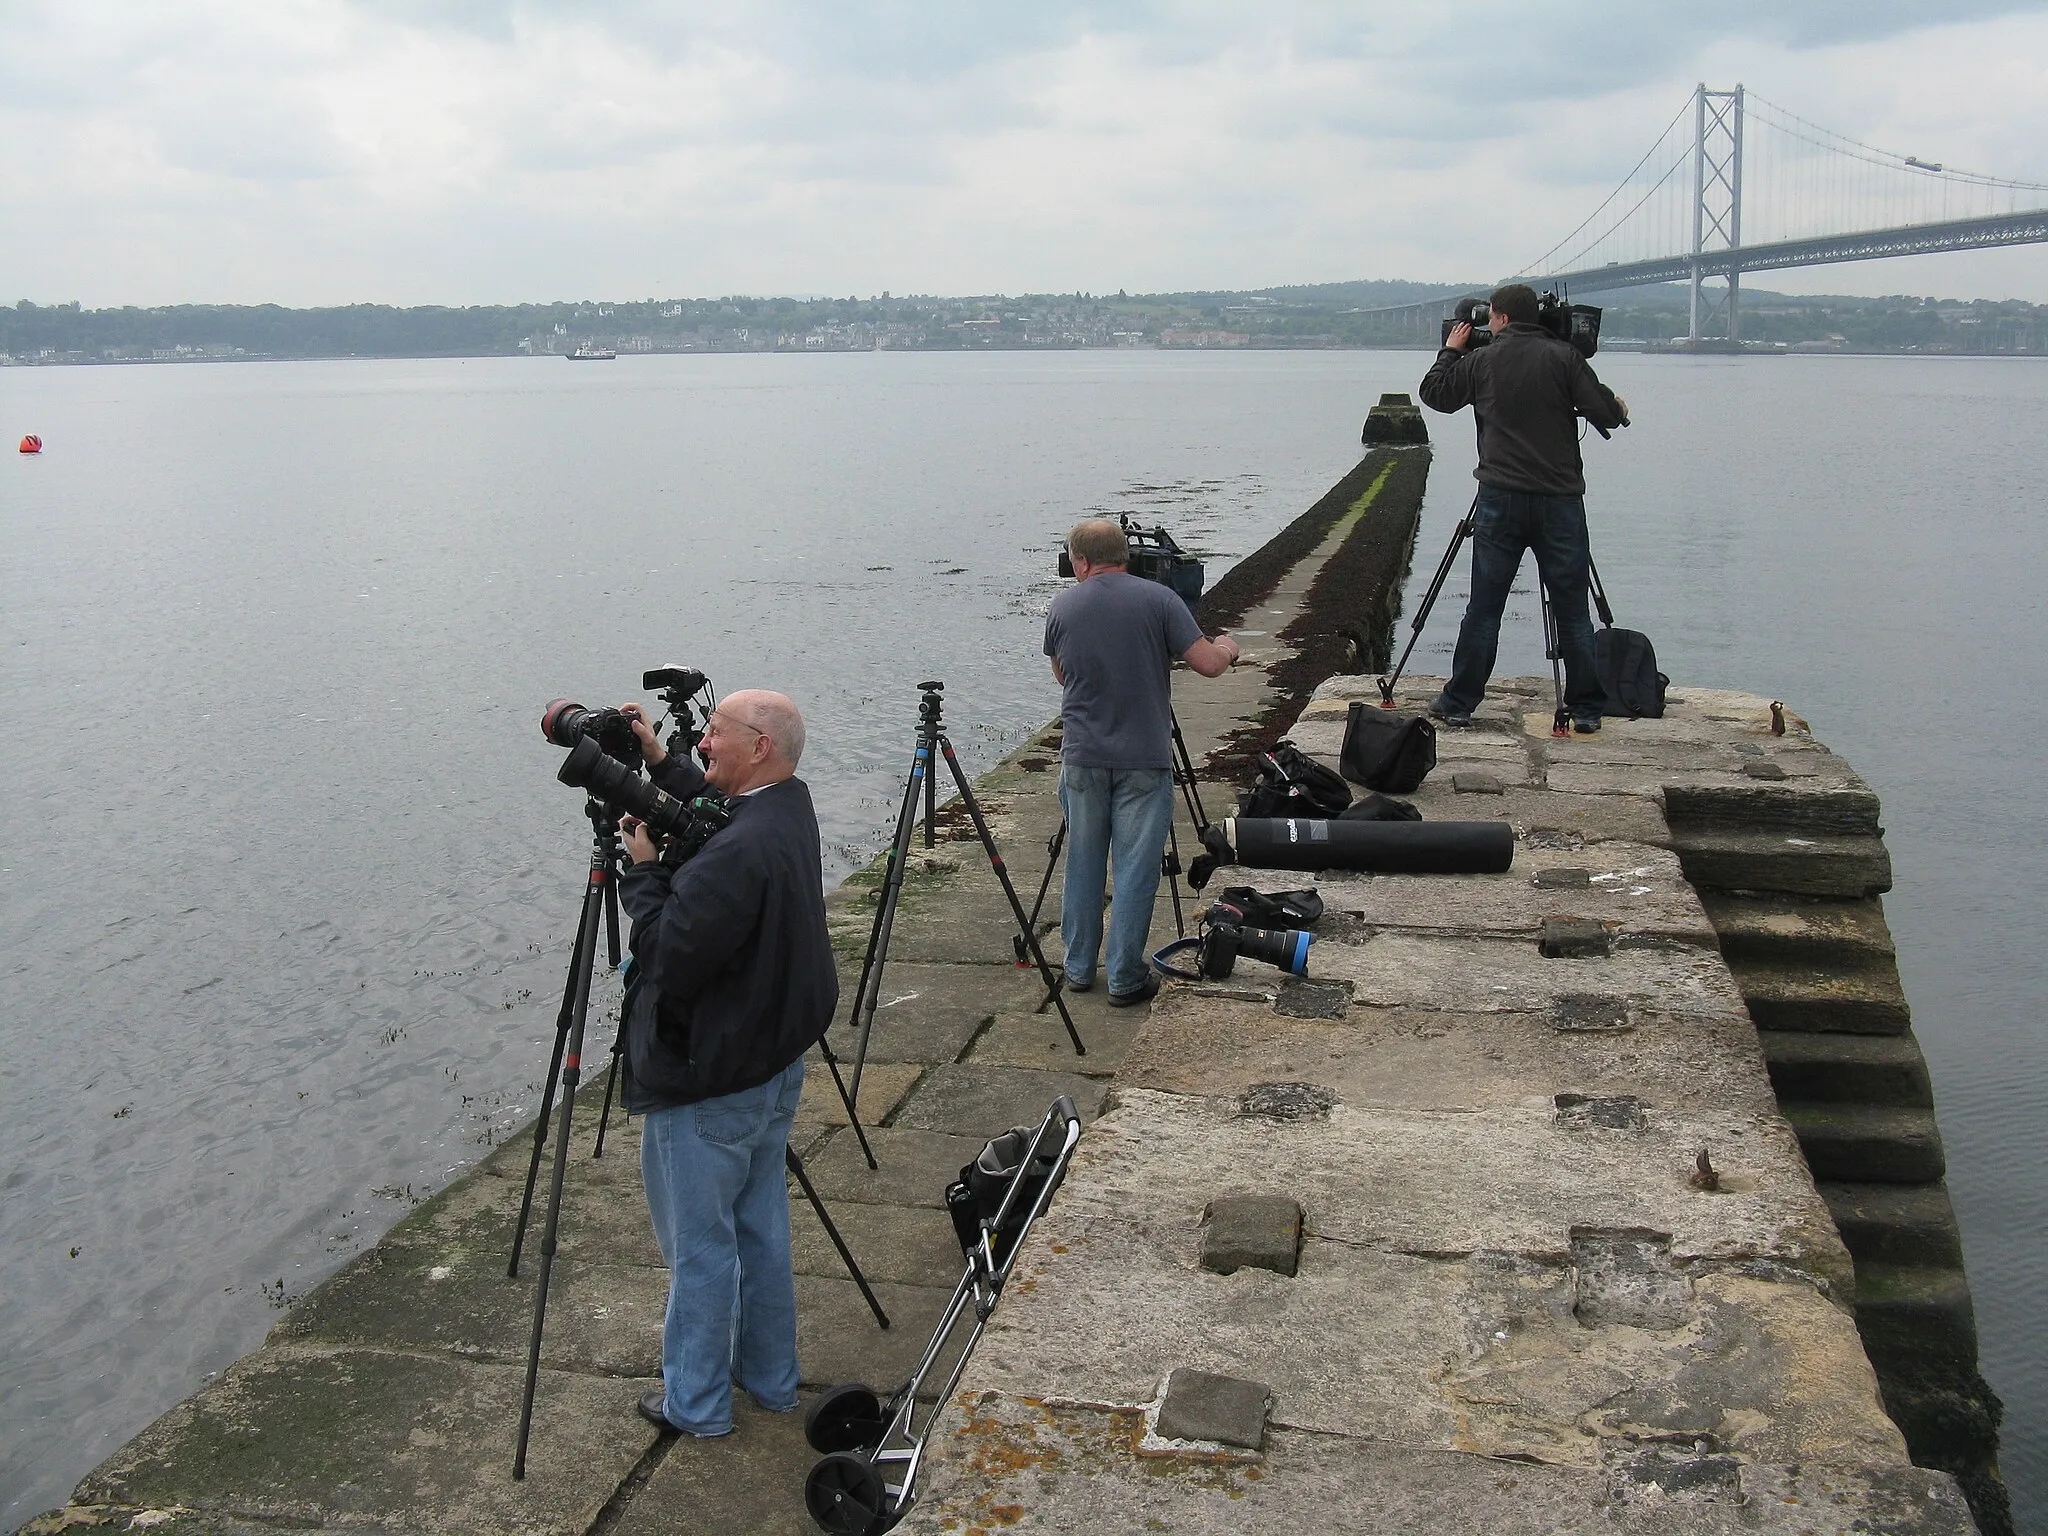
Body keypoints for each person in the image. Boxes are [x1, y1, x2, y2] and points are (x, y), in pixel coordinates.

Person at [613, 689, 835, 1438]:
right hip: (769, 1067)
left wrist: (641, 874)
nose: (703, 741)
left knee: (701, 1251)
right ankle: (771, 1382)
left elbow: (672, 951)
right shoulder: (786, 807)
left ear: (761, 747)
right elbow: (717, 812)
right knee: (761, 1231)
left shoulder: (738, 850)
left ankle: (698, 1405)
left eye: (714, 732)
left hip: (710, 1082)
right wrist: (657, 760)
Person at [1417, 282, 1630, 732]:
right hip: (1559, 502)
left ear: (1502, 318)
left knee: (1485, 606)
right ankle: (1588, 711)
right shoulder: (1565, 357)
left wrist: (1450, 350)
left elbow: (1435, 394)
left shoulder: (1481, 360)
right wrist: (1614, 403)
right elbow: (1606, 415)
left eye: (1491, 317)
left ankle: (1458, 702)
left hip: (1500, 499)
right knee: (1572, 608)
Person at [1044, 519, 1240, 1006]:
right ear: (1125, 556)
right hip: (1143, 755)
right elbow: (1209, 664)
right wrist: (1229, 649)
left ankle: (1078, 968)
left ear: (1081, 561)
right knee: (1135, 868)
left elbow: (1062, 675)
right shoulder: (1161, 601)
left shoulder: (1063, 606)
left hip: (1084, 756)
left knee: (1083, 864)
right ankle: (1126, 977)